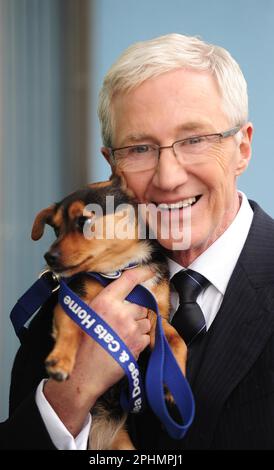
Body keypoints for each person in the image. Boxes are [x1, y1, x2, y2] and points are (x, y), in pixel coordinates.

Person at [1, 33, 274, 450]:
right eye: (139, 148)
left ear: (242, 148)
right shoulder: (68, 304)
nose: (168, 178)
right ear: (112, 166)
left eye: (194, 140)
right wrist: (71, 396)